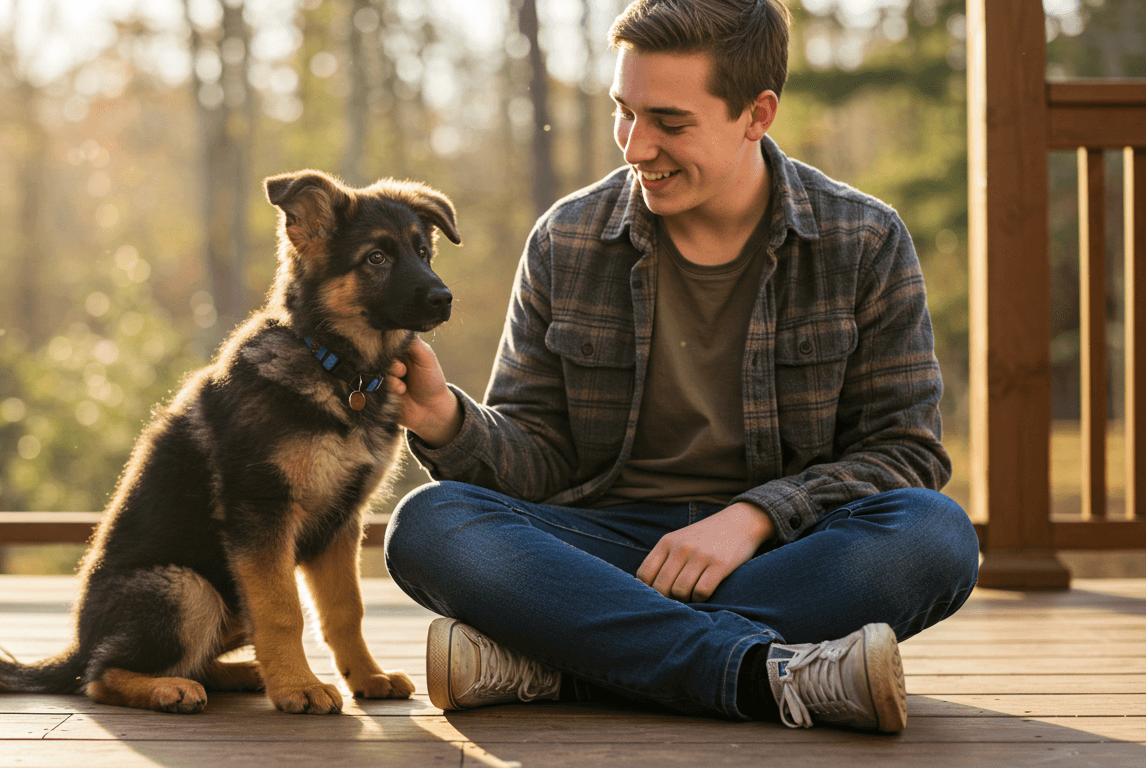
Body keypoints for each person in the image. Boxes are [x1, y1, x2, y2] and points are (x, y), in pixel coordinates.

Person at [379, 0, 979, 733]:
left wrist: (756, 516)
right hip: (605, 547)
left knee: (936, 536)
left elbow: (906, 453)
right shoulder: (567, 239)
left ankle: (565, 660)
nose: (634, 147)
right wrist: (448, 423)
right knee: (430, 524)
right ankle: (763, 672)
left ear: (757, 114)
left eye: (669, 122)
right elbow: (538, 457)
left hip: (783, 552)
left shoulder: (864, 239)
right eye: (622, 112)